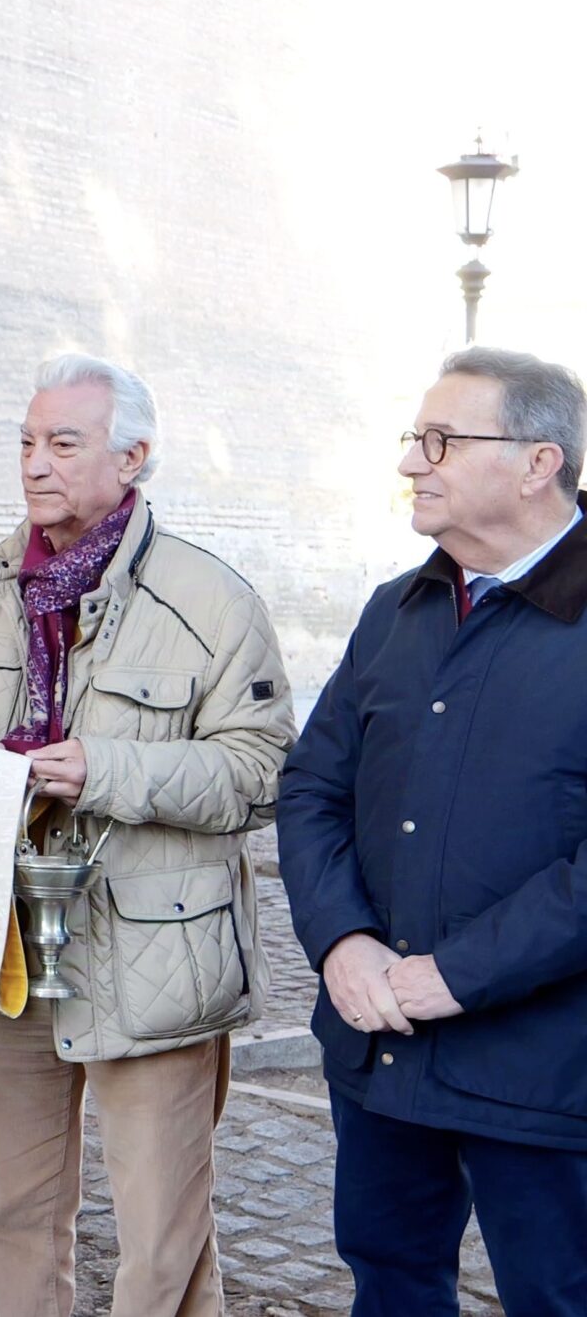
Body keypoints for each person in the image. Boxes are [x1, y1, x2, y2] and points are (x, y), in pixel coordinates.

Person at [0, 354, 292, 1317]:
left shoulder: (213, 600)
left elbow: (264, 771)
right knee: (6, 1205)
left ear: (136, 457)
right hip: (0, 937)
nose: (34, 464)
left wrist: (107, 770)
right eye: (26, 442)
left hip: (154, 949)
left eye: (62, 444)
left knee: (162, 1232)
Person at [280, 347, 587, 1314]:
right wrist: (344, 940)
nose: (413, 462)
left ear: (540, 462)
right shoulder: (396, 611)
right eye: (416, 439)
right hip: (381, 1050)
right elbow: (311, 789)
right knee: (392, 1279)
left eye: (442, 440)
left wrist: (456, 975)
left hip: (548, 1071)